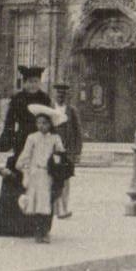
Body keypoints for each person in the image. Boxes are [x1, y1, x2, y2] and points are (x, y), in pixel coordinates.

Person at [0, 65, 52, 236]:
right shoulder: (17, 99)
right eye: (30, 82)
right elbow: (10, 123)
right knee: (17, 180)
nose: (34, 85)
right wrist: (6, 141)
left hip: (41, 142)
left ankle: (36, 227)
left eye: (36, 81)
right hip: (22, 143)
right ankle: (11, 226)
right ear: (24, 82)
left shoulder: (45, 99)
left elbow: (51, 121)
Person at [15, 107, 66, 243]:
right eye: (39, 123)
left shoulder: (55, 138)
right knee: (36, 202)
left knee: (47, 202)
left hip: (49, 174)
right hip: (35, 173)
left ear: (50, 124)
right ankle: (38, 232)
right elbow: (26, 154)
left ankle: (46, 231)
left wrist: (58, 163)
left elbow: (61, 154)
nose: (41, 126)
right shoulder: (32, 138)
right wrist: (21, 165)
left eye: (45, 123)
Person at [52, 83, 83, 219]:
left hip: (67, 150)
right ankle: (54, 208)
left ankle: (64, 208)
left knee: (65, 180)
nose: (61, 96)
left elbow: (78, 132)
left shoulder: (71, 111)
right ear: (55, 94)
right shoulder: (50, 109)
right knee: (52, 178)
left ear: (67, 96)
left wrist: (77, 151)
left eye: (63, 94)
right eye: (58, 93)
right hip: (52, 150)